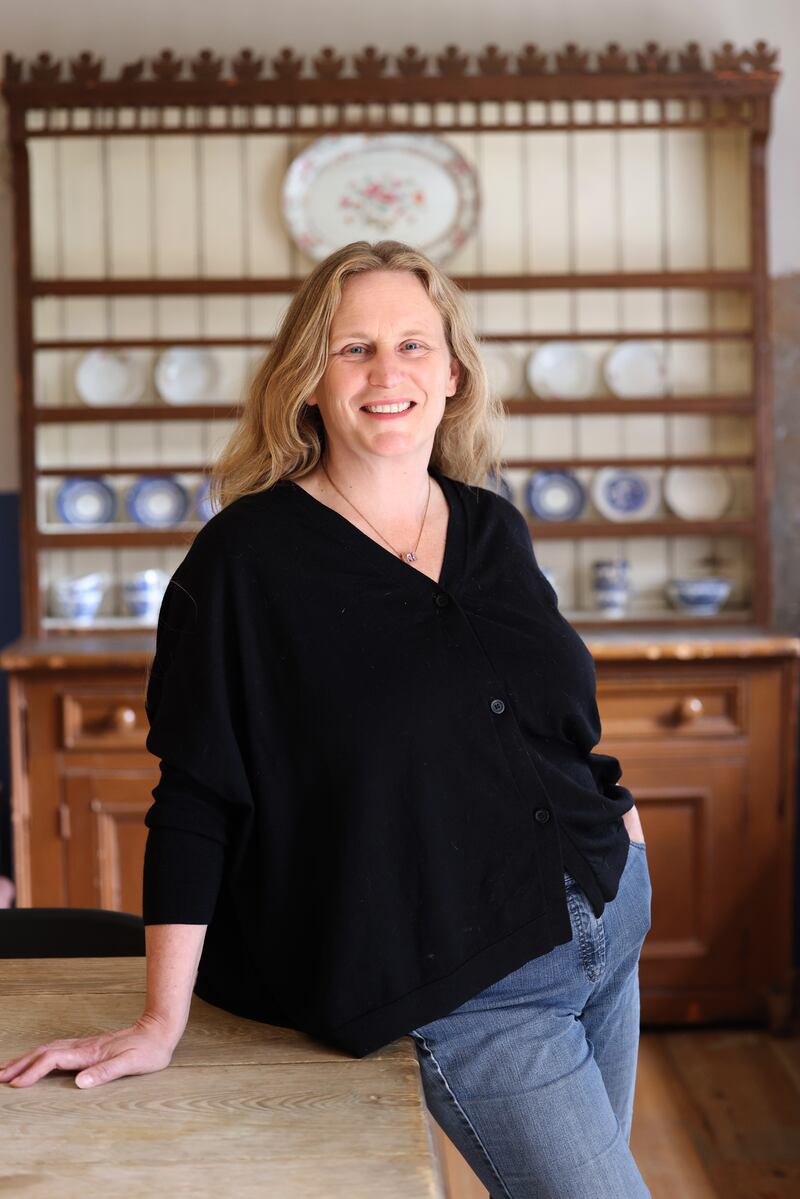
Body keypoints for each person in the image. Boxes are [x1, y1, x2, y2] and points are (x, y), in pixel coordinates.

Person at [0, 240, 651, 1197]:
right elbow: (196, 795)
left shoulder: (490, 526)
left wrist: (619, 815)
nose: (388, 373)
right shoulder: (244, 566)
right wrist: (158, 1018)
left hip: (608, 921)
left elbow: (549, 722)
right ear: (308, 379)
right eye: (354, 349)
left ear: (454, 370)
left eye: (413, 345)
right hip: (473, 986)